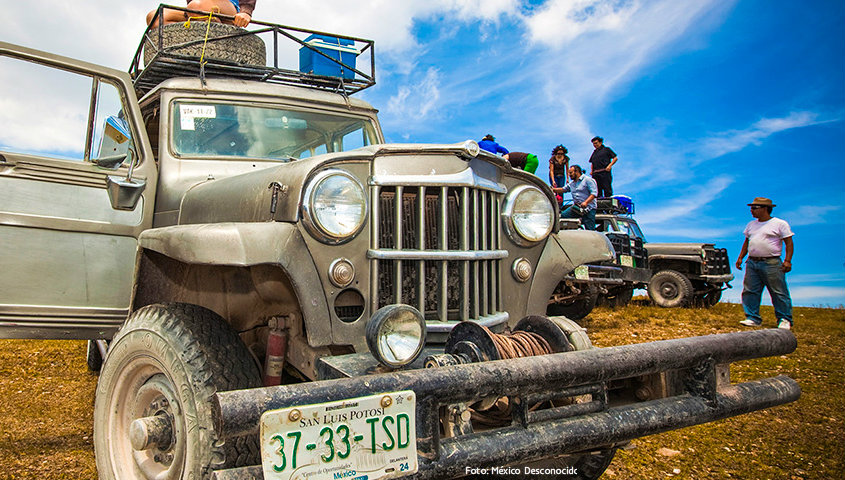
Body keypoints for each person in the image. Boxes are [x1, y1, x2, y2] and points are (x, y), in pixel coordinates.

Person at [735, 197, 794, 329]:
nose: (751, 210)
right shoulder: (751, 225)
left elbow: (788, 243)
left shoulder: (779, 224)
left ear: (765, 209)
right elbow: (747, 242)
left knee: (778, 291)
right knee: (750, 290)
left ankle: (784, 319)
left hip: (771, 262)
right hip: (752, 262)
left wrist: (787, 261)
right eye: (751, 208)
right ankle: (752, 317)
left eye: (755, 208)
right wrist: (740, 257)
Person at [147, 0, 255, 28]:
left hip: (228, 8)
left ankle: (215, 25)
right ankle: (194, 35)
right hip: (195, 11)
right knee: (154, 17)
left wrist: (245, 12)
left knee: (196, 6)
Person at [552, 165, 598, 230]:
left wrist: (586, 202)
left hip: (588, 208)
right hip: (577, 207)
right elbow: (563, 189)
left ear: (576, 172)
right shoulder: (572, 183)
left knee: (589, 228)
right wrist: (552, 189)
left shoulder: (588, 180)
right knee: (563, 216)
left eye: (571, 173)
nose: (569, 175)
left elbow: (594, 193)